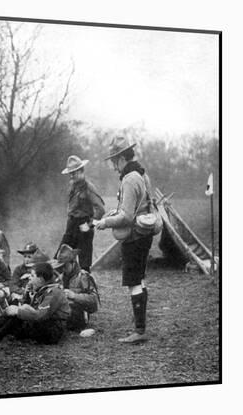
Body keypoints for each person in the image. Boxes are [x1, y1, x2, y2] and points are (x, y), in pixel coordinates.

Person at [95, 136, 154, 344]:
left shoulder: (129, 179)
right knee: (140, 277)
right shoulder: (141, 174)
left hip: (134, 236)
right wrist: (115, 211)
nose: (113, 167)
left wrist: (105, 223)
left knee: (133, 281)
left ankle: (139, 331)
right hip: (144, 234)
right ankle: (141, 324)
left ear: (121, 158)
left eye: (113, 161)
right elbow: (140, 205)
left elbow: (127, 217)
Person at [0, 261, 71, 349]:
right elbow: (26, 306)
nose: (30, 278)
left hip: (52, 331)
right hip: (42, 325)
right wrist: (27, 295)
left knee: (16, 315)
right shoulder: (40, 289)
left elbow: (40, 316)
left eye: (32, 276)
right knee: (14, 309)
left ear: (41, 279)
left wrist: (18, 311)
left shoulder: (54, 292)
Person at [58, 155, 105, 272]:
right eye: (70, 173)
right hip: (71, 225)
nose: (71, 176)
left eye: (74, 173)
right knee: (62, 257)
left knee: (84, 264)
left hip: (84, 226)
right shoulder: (72, 186)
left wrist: (89, 225)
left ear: (81, 171)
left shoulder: (89, 187)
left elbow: (100, 209)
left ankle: (85, 287)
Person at [55, 244, 99, 331]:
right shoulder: (60, 277)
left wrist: (74, 296)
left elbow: (94, 302)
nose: (63, 269)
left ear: (73, 263)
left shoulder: (83, 277)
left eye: (65, 266)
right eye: (61, 267)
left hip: (79, 314)